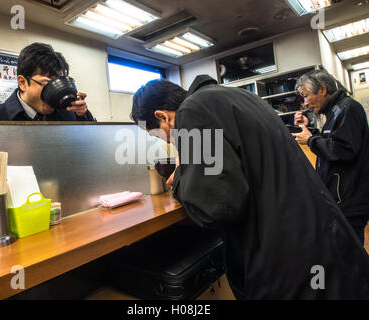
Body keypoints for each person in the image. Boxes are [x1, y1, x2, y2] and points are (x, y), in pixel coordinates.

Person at [131, 74, 369, 299]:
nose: (167, 141)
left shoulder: (192, 111)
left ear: (162, 116)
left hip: (288, 258)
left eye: (157, 135)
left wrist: (181, 178)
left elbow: (218, 206)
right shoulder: (237, 97)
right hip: (319, 237)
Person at [292, 70, 369, 245]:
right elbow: (333, 141)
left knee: (351, 255)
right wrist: (310, 130)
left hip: (350, 200)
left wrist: (311, 140)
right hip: (343, 199)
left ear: (322, 89)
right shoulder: (335, 112)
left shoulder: (346, 109)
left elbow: (344, 150)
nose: (305, 103)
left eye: (306, 96)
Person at [0, 43, 96, 121]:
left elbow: (89, 150)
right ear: (22, 83)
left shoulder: (68, 115)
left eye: (57, 84)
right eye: (46, 84)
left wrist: (83, 115)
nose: (54, 93)